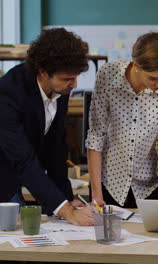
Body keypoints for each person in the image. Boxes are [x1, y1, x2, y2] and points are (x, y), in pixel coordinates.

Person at [0, 28, 93, 226]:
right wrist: (65, 210)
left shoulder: (60, 89)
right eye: (67, 79)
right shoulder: (8, 93)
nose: (73, 85)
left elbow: (56, 151)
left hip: (20, 171)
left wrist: (66, 199)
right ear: (42, 71)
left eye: (75, 77)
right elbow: (23, 160)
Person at [86, 32, 158, 208]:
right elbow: (96, 135)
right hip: (108, 183)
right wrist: (96, 195)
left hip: (148, 186)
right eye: (153, 78)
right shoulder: (108, 75)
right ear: (136, 65)